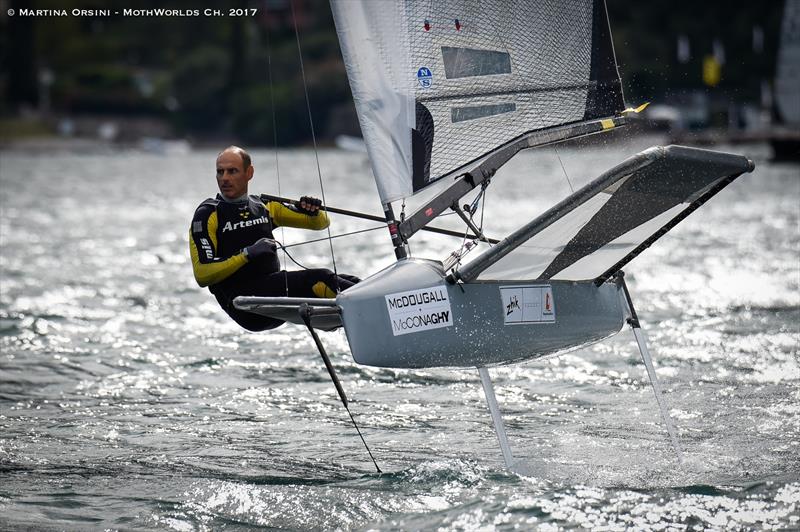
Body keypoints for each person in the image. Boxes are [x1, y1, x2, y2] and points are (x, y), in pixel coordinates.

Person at [189, 146, 359, 331]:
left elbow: (321, 223)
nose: (225, 178)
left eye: (232, 171)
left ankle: (376, 302)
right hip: (244, 304)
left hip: (274, 294)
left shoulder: (264, 206)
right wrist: (246, 254)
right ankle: (368, 310)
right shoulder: (208, 213)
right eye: (220, 172)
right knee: (321, 278)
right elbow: (202, 274)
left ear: (249, 173)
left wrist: (311, 209)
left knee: (348, 281)